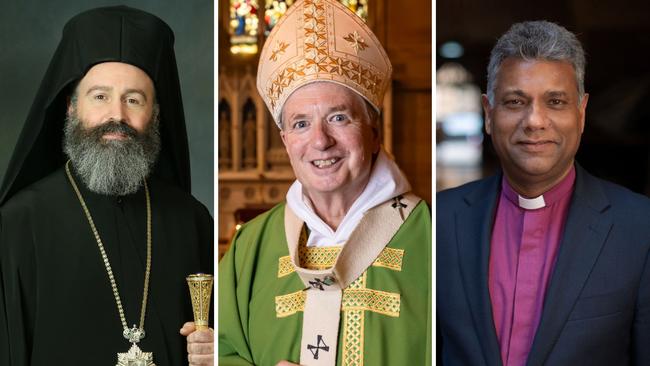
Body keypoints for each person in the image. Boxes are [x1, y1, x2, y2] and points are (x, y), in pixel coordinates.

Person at [218, 0, 432, 365]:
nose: (320, 141)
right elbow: (224, 350)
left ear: (374, 134)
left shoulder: (431, 236)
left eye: (338, 117)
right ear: (286, 142)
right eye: (301, 124)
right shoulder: (248, 248)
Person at [0, 6, 214, 365]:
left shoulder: (192, 222)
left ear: (155, 114)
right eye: (100, 96)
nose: (117, 115)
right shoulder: (18, 225)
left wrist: (215, 354)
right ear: (70, 107)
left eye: (134, 99)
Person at [437, 20, 650, 365]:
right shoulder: (440, 221)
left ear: (581, 113)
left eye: (555, 101)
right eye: (515, 101)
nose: (535, 121)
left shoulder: (640, 228)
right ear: (488, 114)